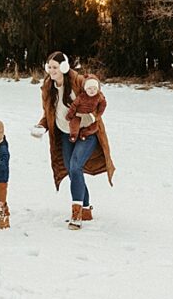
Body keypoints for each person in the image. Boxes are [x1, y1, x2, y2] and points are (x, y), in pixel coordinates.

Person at [35, 52, 115, 230]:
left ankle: (76, 214)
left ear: (64, 67)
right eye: (49, 67)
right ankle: (86, 209)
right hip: (65, 134)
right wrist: (41, 126)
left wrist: (93, 109)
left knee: (75, 166)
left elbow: (95, 90)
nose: (52, 70)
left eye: (55, 67)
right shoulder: (49, 87)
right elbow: (48, 113)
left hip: (87, 133)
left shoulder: (78, 82)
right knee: (72, 172)